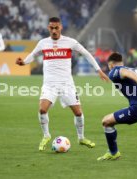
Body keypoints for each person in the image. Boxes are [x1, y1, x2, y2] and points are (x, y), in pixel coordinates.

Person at [16, 17, 109, 151]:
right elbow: (33, 55)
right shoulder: (43, 43)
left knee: (78, 113)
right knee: (42, 109)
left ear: (61, 27)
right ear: (48, 28)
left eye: (56, 28)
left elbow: (87, 53)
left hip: (67, 84)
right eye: (51, 28)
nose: (54, 30)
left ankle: (81, 138)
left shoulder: (70, 42)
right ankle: (46, 135)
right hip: (49, 84)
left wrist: (99, 70)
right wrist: (24, 62)